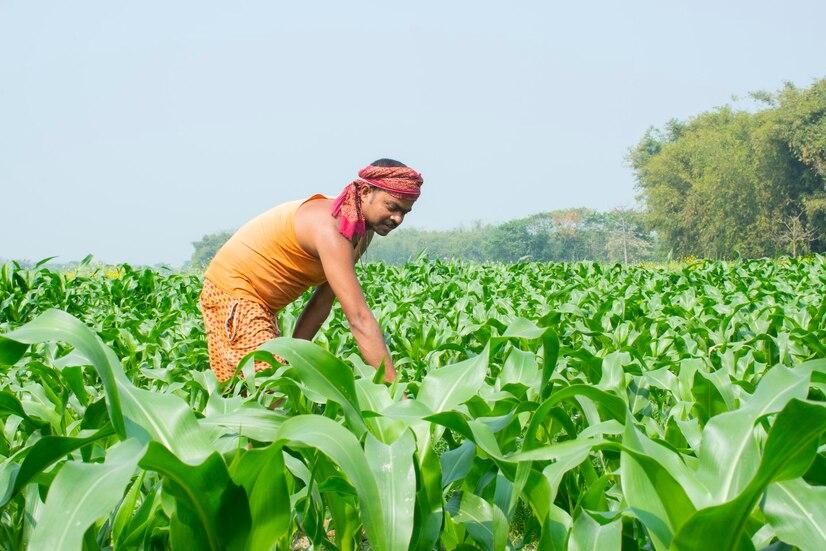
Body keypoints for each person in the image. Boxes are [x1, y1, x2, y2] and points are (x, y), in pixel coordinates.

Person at [198, 158, 423, 384]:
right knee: (266, 387)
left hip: (261, 304)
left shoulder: (361, 231)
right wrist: (395, 392)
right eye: (392, 207)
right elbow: (358, 319)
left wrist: (294, 358)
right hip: (234, 295)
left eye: (405, 212)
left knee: (279, 381)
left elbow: (322, 302)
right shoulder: (331, 229)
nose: (398, 219)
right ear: (365, 191)